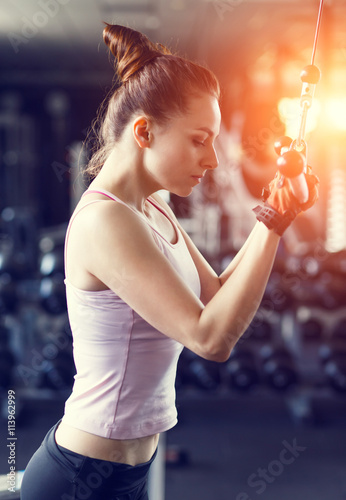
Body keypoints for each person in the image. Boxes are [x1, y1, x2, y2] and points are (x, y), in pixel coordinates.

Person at [20, 23, 318, 500]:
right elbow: (210, 338)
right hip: (79, 480)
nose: (213, 159)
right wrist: (276, 225)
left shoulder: (153, 205)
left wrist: (271, 218)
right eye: (200, 139)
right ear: (143, 131)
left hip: (127, 474)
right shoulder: (106, 222)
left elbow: (215, 296)